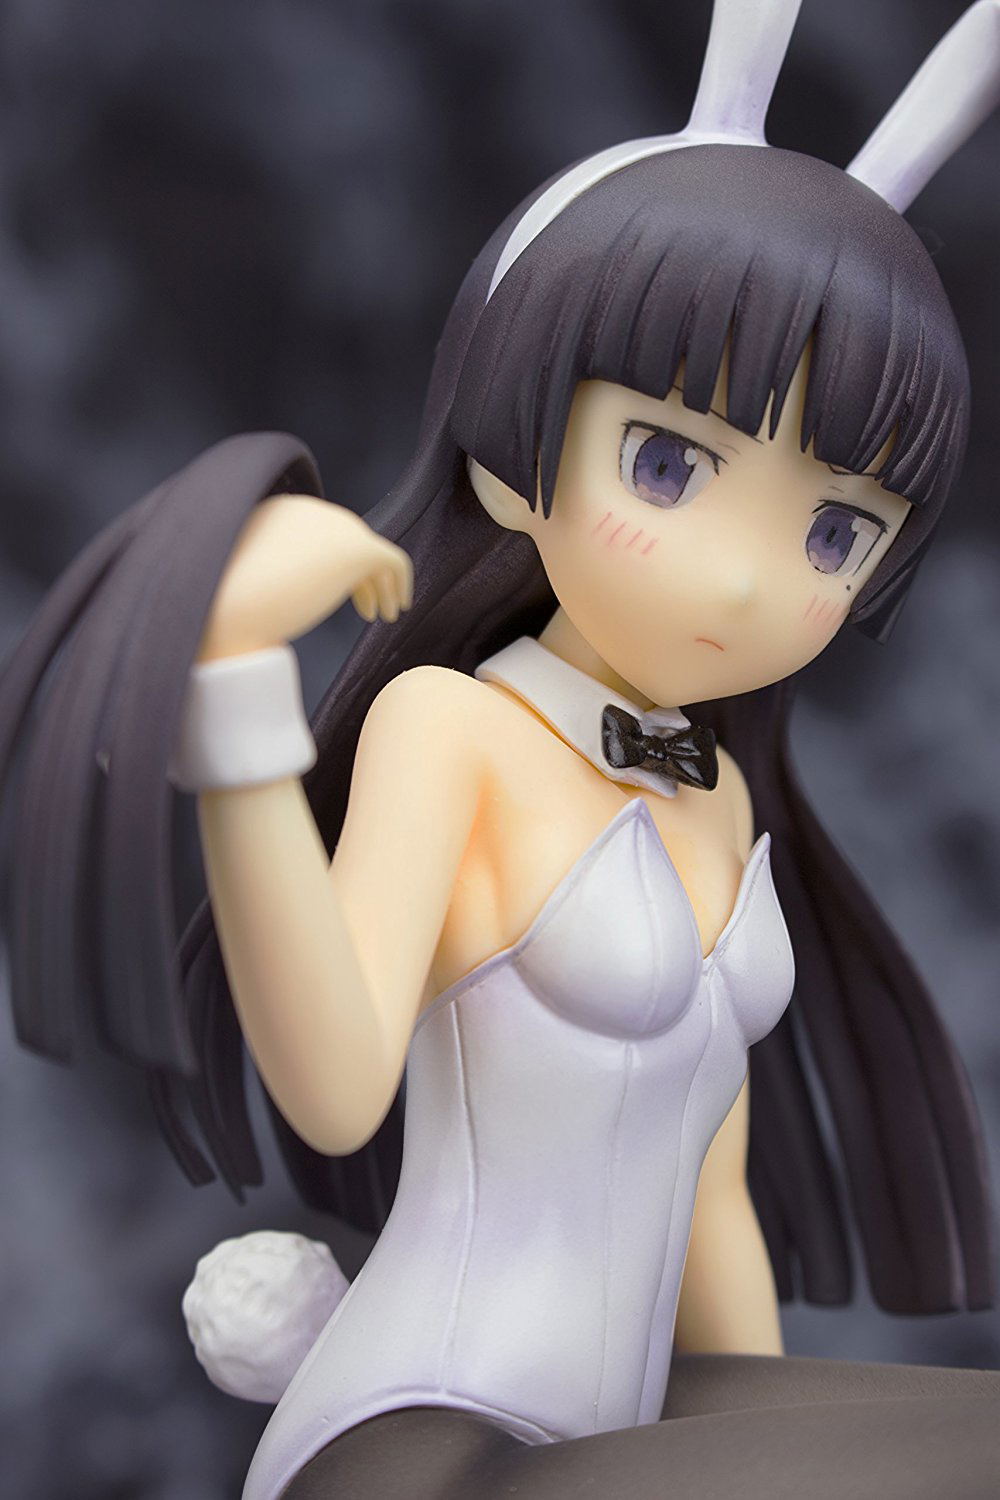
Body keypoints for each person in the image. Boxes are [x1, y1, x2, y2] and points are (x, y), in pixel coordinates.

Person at [2, 3, 998, 1497]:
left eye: (834, 532)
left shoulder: (717, 794)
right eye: (669, 464)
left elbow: (711, 1201)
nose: (744, 581)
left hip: (612, 1446)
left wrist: (764, 1437)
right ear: (518, 453)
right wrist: (240, 708)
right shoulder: (453, 727)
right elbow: (335, 1084)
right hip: (426, 1436)